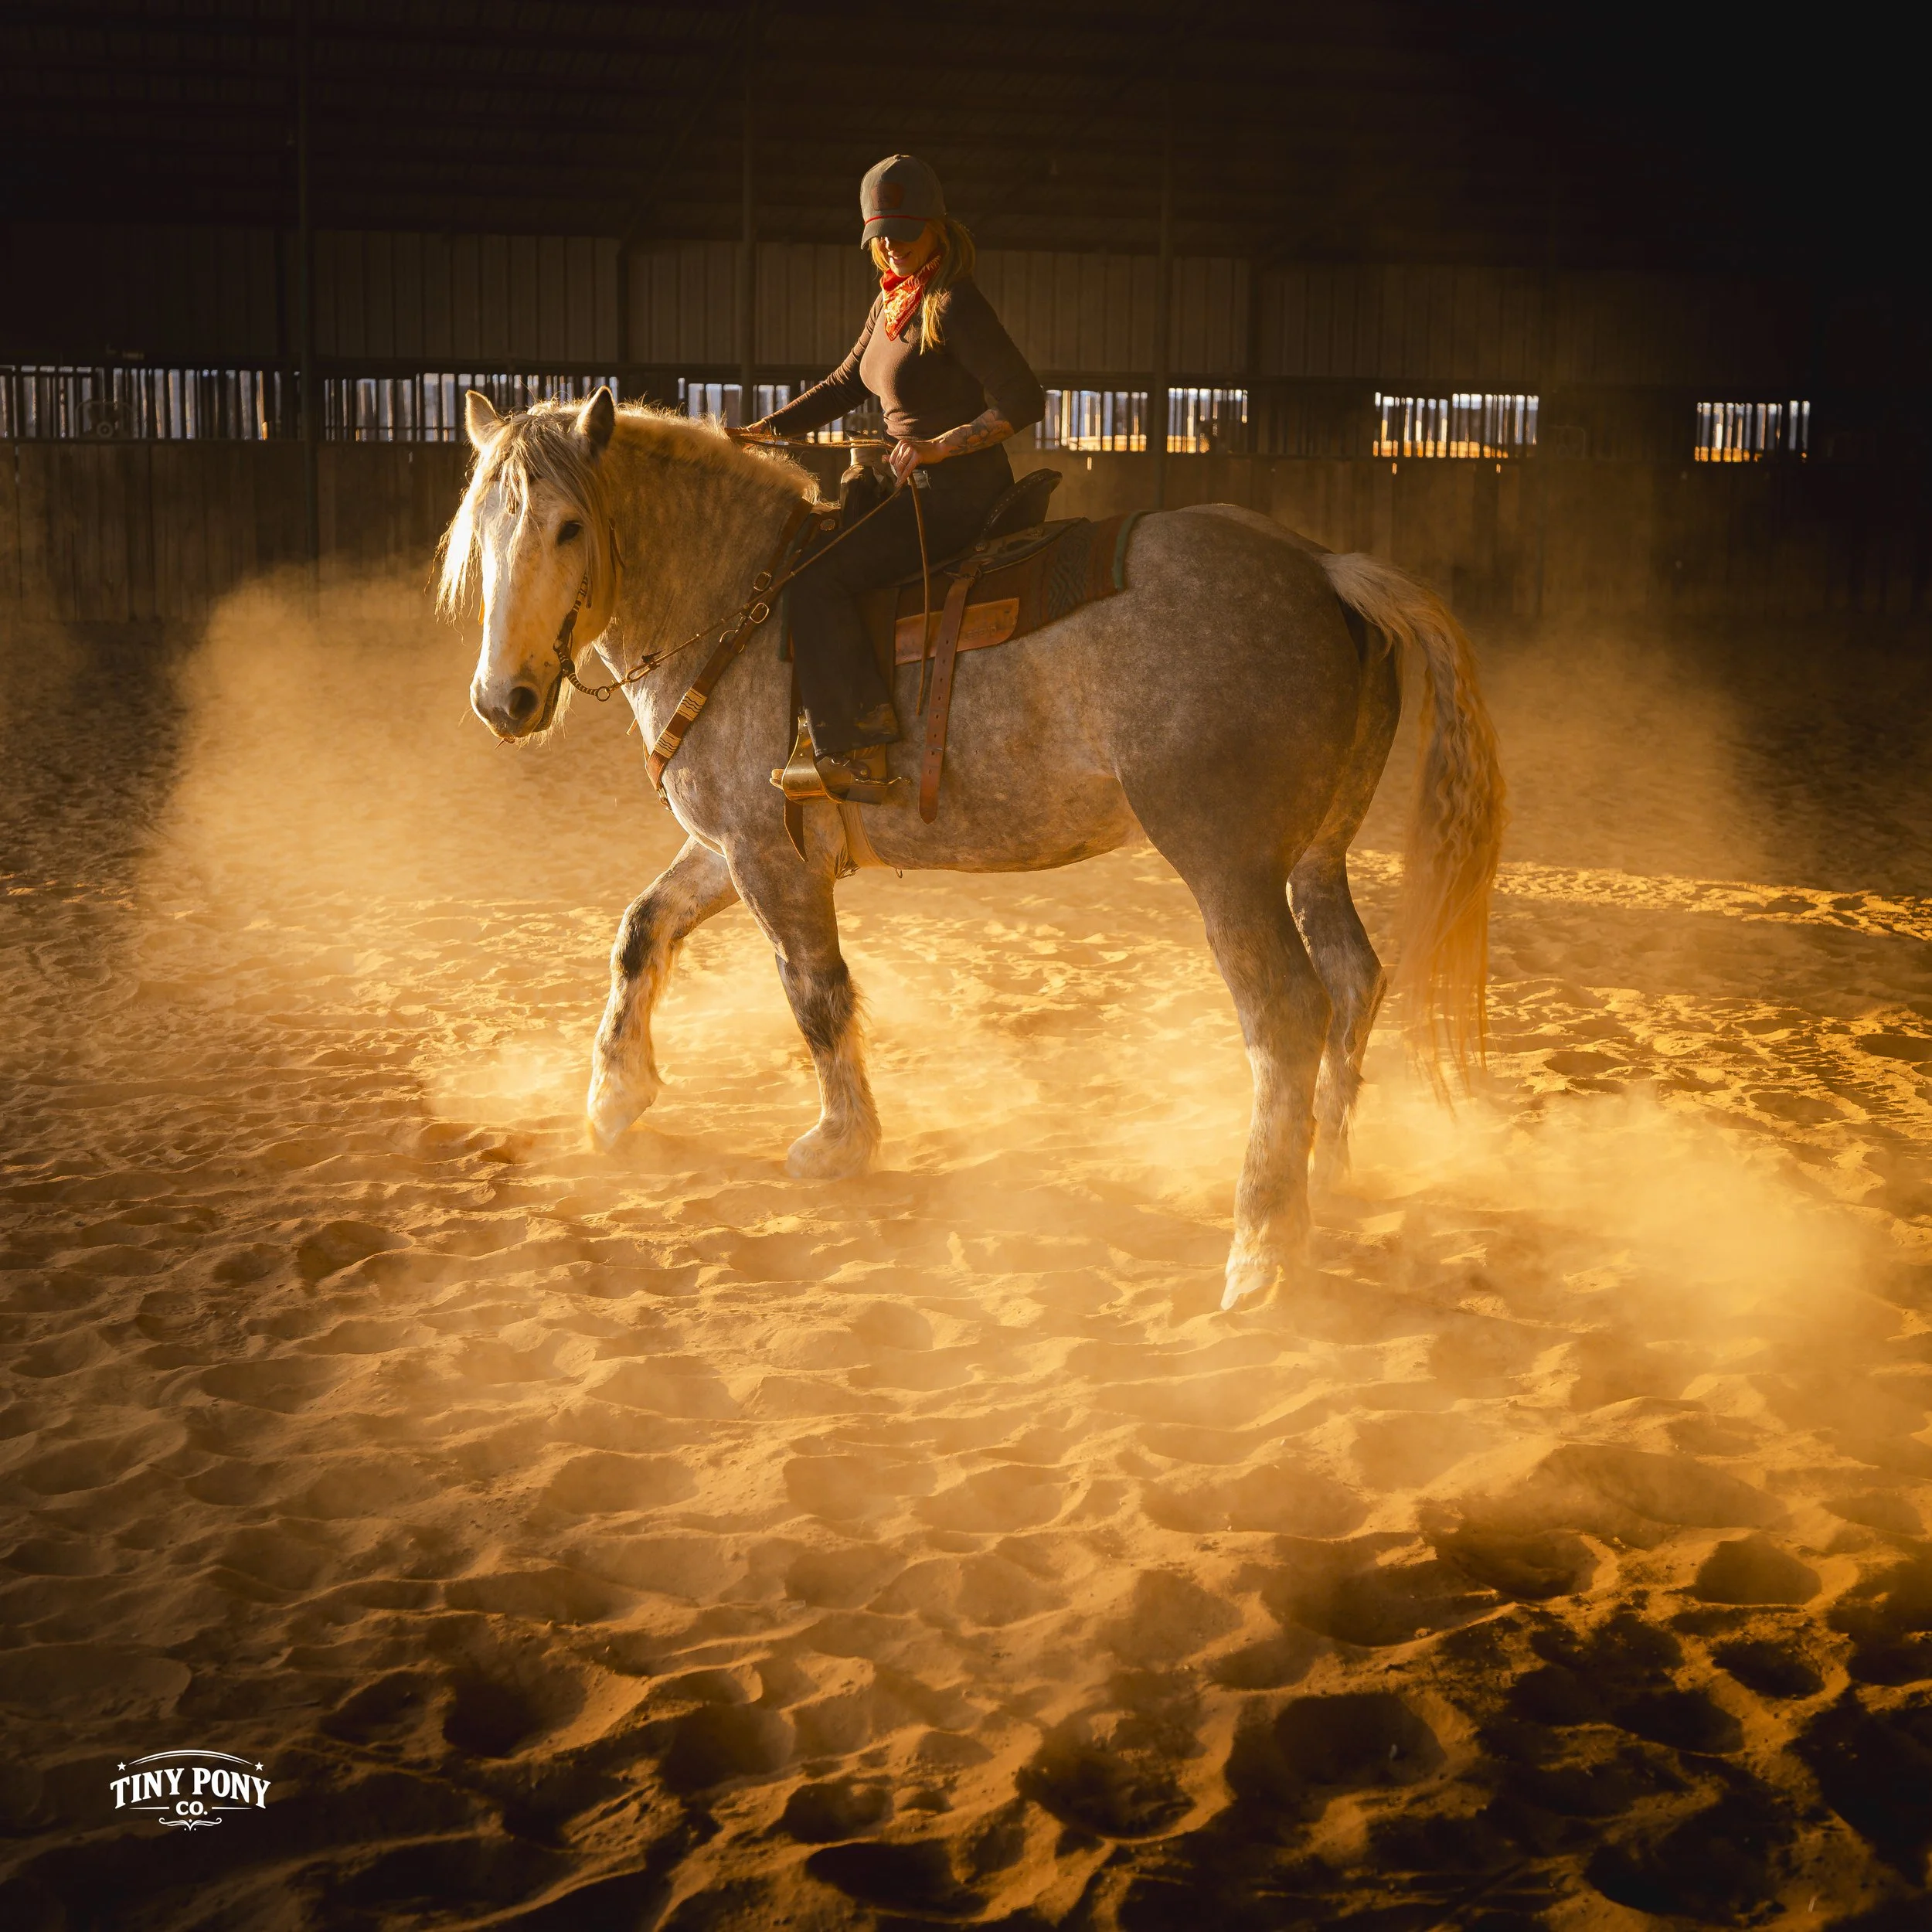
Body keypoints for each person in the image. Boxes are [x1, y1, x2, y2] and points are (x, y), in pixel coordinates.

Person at [745, 154, 1044, 799]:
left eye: (905, 232)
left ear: (938, 227)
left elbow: (1024, 400)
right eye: (880, 234)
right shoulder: (890, 303)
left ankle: (858, 747)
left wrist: (939, 447)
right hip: (908, 487)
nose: (892, 245)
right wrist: (762, 432)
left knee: (818, 582)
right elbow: (841, 384)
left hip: (957, 495)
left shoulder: (954, 302)